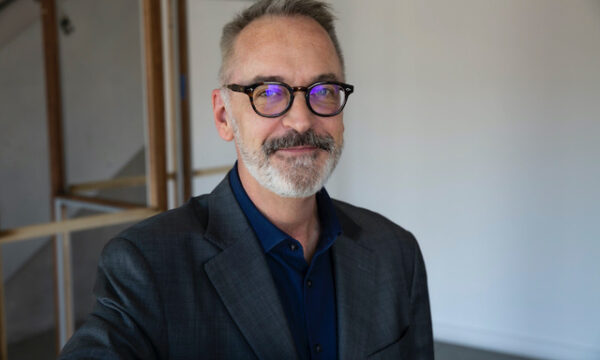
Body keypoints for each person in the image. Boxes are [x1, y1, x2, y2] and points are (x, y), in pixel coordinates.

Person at [59, 0, 433, 358]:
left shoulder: (395, 253)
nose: (301, 120)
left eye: (324, 91)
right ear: (224, 116)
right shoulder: (147, 266)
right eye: (268, 92)